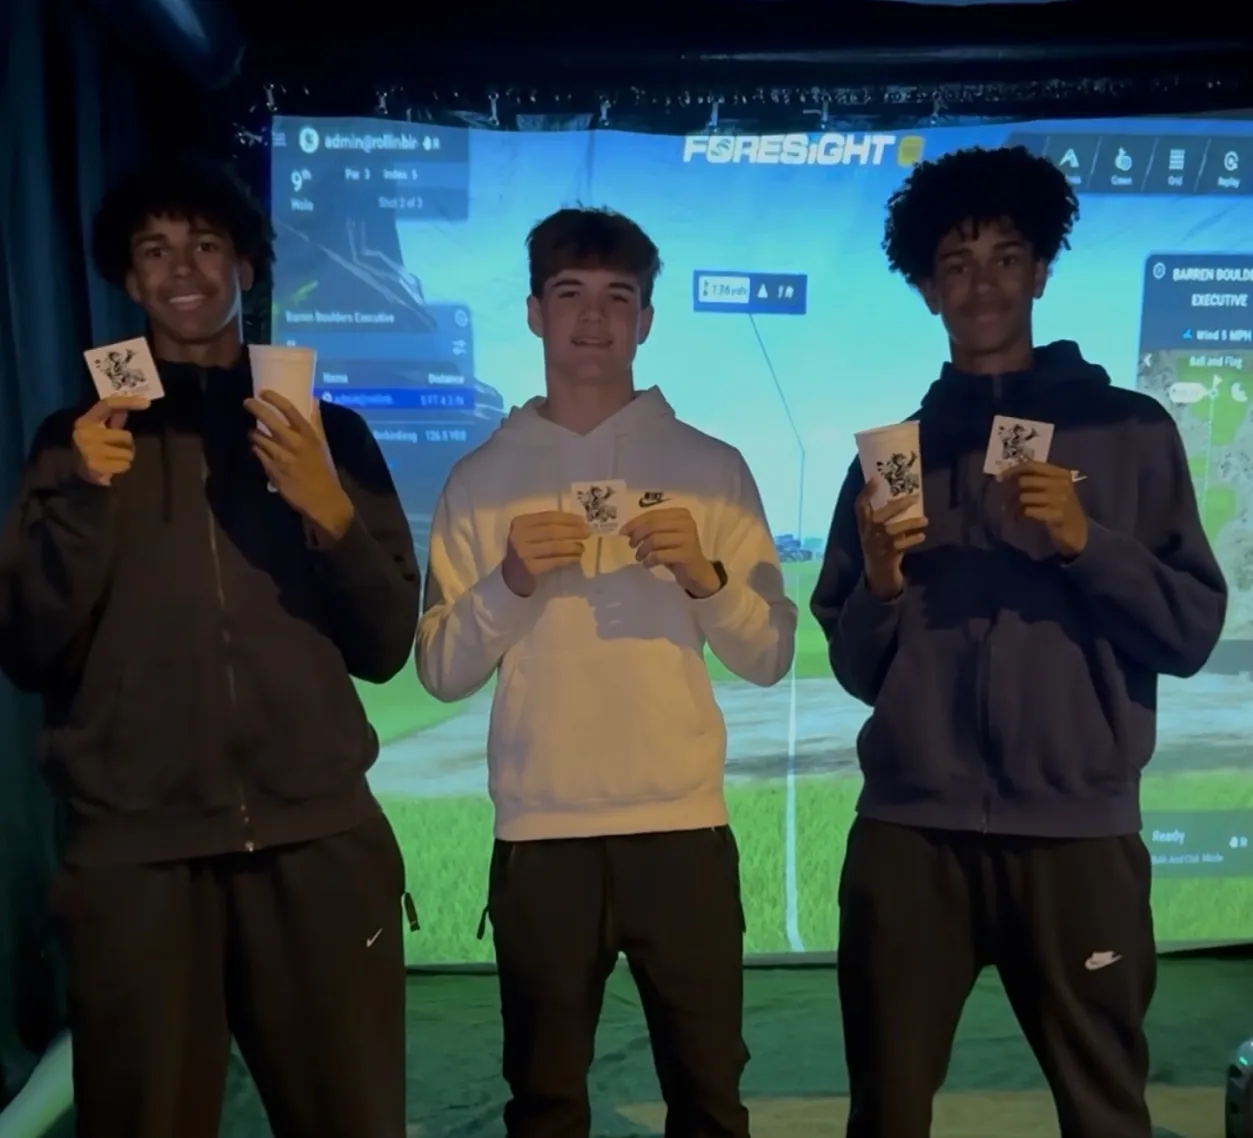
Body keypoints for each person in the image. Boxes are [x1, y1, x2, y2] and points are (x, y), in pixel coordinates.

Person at [810, 144, 1228, 1138]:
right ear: (924, 289)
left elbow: (1187, 630)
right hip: (909, 835)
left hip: (1076, 834)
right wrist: (876, 580)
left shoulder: (1129, 432)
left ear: (1040, 270)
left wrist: (1087, 543)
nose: (981, 282)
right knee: (885, 1109)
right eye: (954, 263)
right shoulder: (891, 458)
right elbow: (858, 667)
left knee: (1103, 1109)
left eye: (1004, 257)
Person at [0, 155, 421, 1138]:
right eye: (154, 250)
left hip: (319, 844)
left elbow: (385, 643)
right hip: (134, 862)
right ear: (127, 277)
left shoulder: (332, 435)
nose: (181, 268)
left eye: (204, 244)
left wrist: (327, 510)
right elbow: (26, 648)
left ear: (244, 262)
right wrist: (81, 501)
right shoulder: (72, 441)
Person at [417, 207, 797, 1137]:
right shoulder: (479, 478)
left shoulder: (710, 468)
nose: (594, 319)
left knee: (708, 1092)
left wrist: (705, 580)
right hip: (542, 833)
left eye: (617, 298)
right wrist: (508, 583)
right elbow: (438, 671)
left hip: (681, 827)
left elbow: (768, 656)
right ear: (535, 313)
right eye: (571, 295)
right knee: (546, 1098)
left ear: (646, 320)